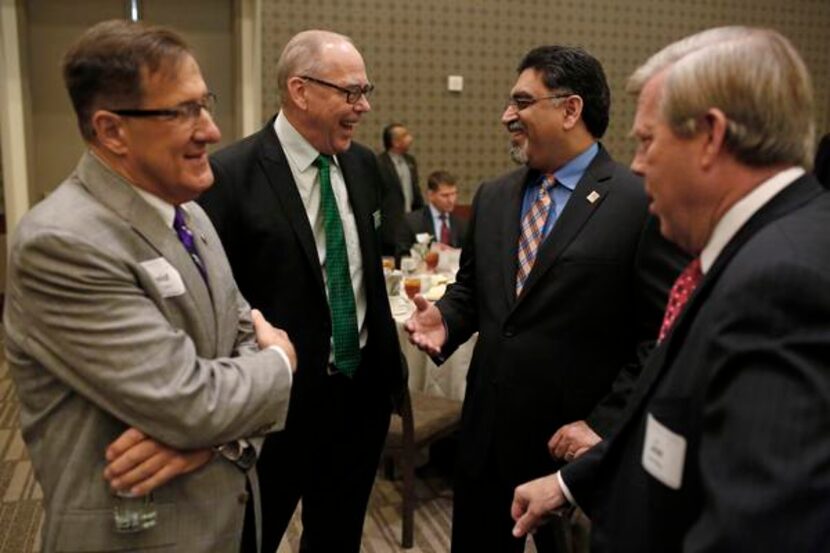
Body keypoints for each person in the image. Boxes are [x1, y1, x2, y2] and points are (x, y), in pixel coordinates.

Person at [512, 26, 830, 552]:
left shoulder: (785, 282)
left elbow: (761, 529)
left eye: (647, 140)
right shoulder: (756, 247)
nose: (636, 164)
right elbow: (682, 419)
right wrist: (572, 482)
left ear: (710, 136)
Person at [3, 20, 295, 553]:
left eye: (205, 103)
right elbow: (190, 400)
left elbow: (240, 334)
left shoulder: (192, 217)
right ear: (112, 131)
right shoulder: (61, 243)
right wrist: (281, 364)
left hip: (223, 523)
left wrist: (211, 444)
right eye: (183, 111)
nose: (210, 129)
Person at [405, 45, 683, 552]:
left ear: (570, 109)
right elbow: (474, 290)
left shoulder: (639, 201)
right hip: (487, 442)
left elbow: (659, 337)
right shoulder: (494, 195)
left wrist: (602, 425)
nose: (507, 115)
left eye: (522, 101)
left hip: (574, 450)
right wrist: (445, 320)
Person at [198, 30, 406, 553]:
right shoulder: (230, 175)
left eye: (365, 91)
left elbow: (366, 270)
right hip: (278, 407)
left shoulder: (362, 166)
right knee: (252, 541)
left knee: (337, 539)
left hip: (359, 400)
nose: (364, 106)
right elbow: (217, 302)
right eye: (351, 92)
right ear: (300, 89)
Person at [396, 169, 468, 255]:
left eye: (454, 194)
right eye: (445, 195)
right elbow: (402, 256)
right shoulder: (412, 222)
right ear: (430, 195)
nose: (451, 200)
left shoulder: (462, 224)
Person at [378, 123, 424, 255]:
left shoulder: (411, 161)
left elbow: (416, 191)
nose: (410, 138)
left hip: (411, 223)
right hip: (389, 228)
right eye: (405, 136)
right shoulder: (379, 163)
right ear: (395, 142)